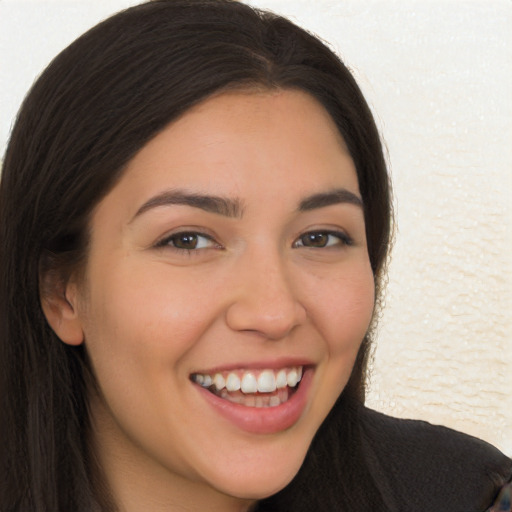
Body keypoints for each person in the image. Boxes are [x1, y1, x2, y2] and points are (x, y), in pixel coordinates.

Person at [0, 1, 510, 511]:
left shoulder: (471, 496)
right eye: (188, 240)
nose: (274, 312)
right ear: (61, 292)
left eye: (319, 238)